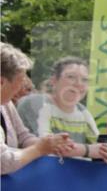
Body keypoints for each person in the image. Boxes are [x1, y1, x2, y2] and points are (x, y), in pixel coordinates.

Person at [17, 56, 107, 163]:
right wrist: (88, 150)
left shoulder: (83, 111)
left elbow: (99, 147)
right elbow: (47, 147)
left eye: (84, 80)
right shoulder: (35, 103)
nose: (78, 84)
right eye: (71, 77)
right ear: (53, 81)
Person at [1, 43, 75, 174]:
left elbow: (23, 136)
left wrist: (50, 144)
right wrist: (39, 149)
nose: (22, 87)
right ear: (1, 82)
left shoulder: (6, 103)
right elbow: (3, 162)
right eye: (20, 80)